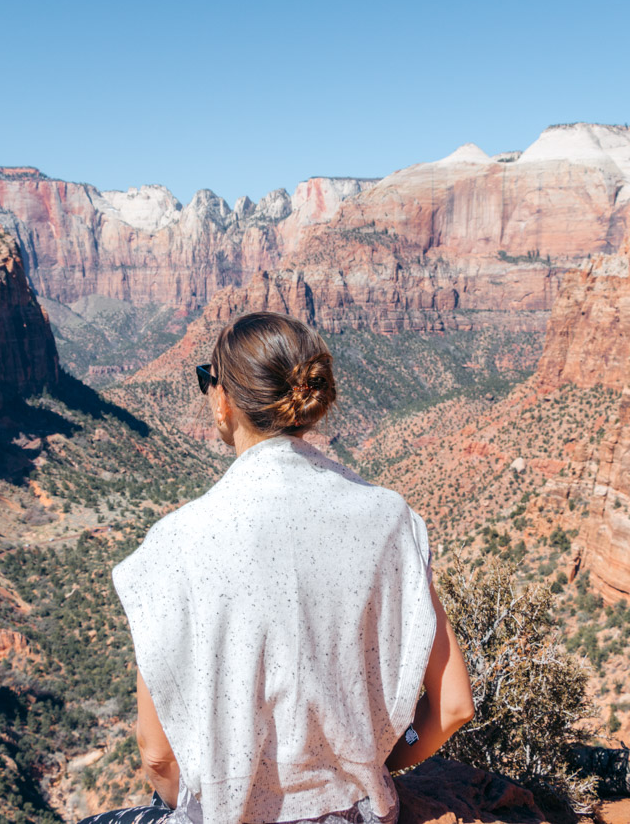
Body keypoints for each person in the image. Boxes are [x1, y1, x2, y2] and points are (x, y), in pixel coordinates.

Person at [77, 312, 474, 824]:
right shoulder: (393, 518)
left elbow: (159, 756)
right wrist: (375, 766)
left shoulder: (173, 546)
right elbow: (455, 704)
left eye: (208, 380)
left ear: (222, 400)